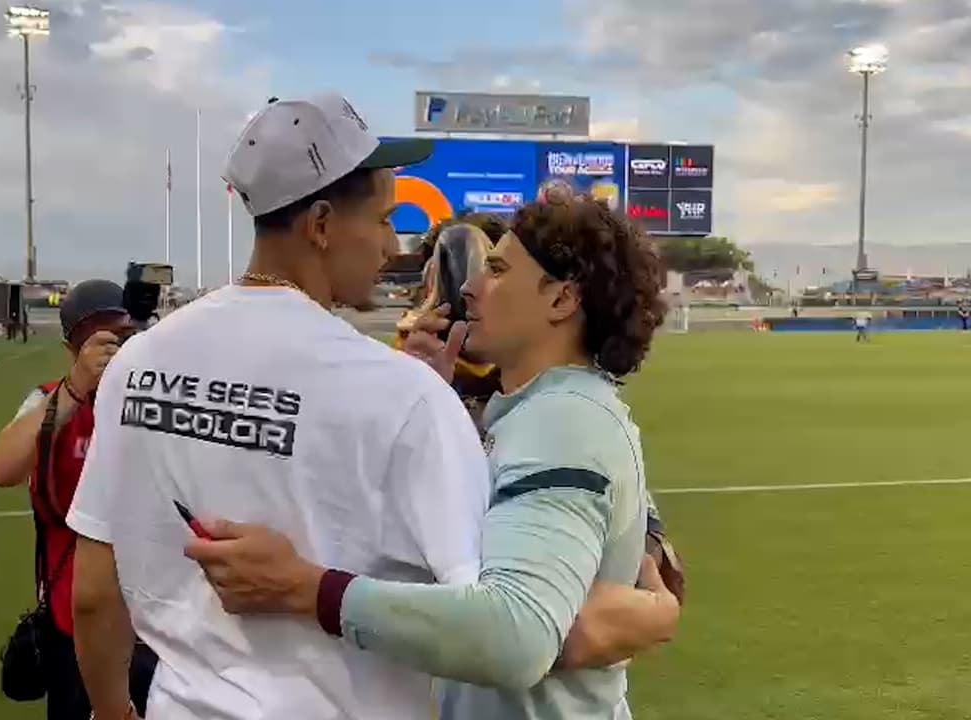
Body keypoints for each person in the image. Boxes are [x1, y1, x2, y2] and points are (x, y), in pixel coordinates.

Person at [65, 94, 676, 720]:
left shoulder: (137, 362)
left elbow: (93, 592)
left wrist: (112, 711)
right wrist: (645, 611)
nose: (393, 245)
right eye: (384, 219)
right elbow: (511, 624)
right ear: (321, 224)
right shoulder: (406, 395)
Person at [184, 194, 679, 719]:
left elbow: (519, 635)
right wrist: (428, 406)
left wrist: (303, 589)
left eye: (497, 270)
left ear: (561, 300)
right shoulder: (535, 412)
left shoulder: (562, 421)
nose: (468, 287)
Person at [0, 279, 156, 720]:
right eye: (93, 340)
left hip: (156, 617)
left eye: (119, 336)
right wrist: (76, 387)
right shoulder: (50, 400)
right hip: (74, 617)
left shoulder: (158, 398)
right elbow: (0, 468)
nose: (109, 350)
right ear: (71, 349)